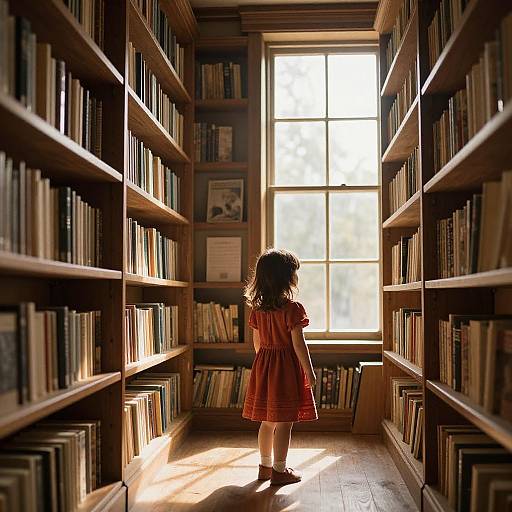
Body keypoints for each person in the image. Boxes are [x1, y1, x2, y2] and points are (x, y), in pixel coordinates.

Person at [242, 248, 318, 486]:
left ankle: (264, 467)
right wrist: (309, 371)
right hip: (285, 370)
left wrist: (265, 366)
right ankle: (279, 470)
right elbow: (298, 344)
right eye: (294, 272)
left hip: (264, 367)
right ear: (286, 278)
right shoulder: (293, 309)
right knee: (285, 421)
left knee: (267, 421)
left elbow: (257, 344)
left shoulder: (258, 310)